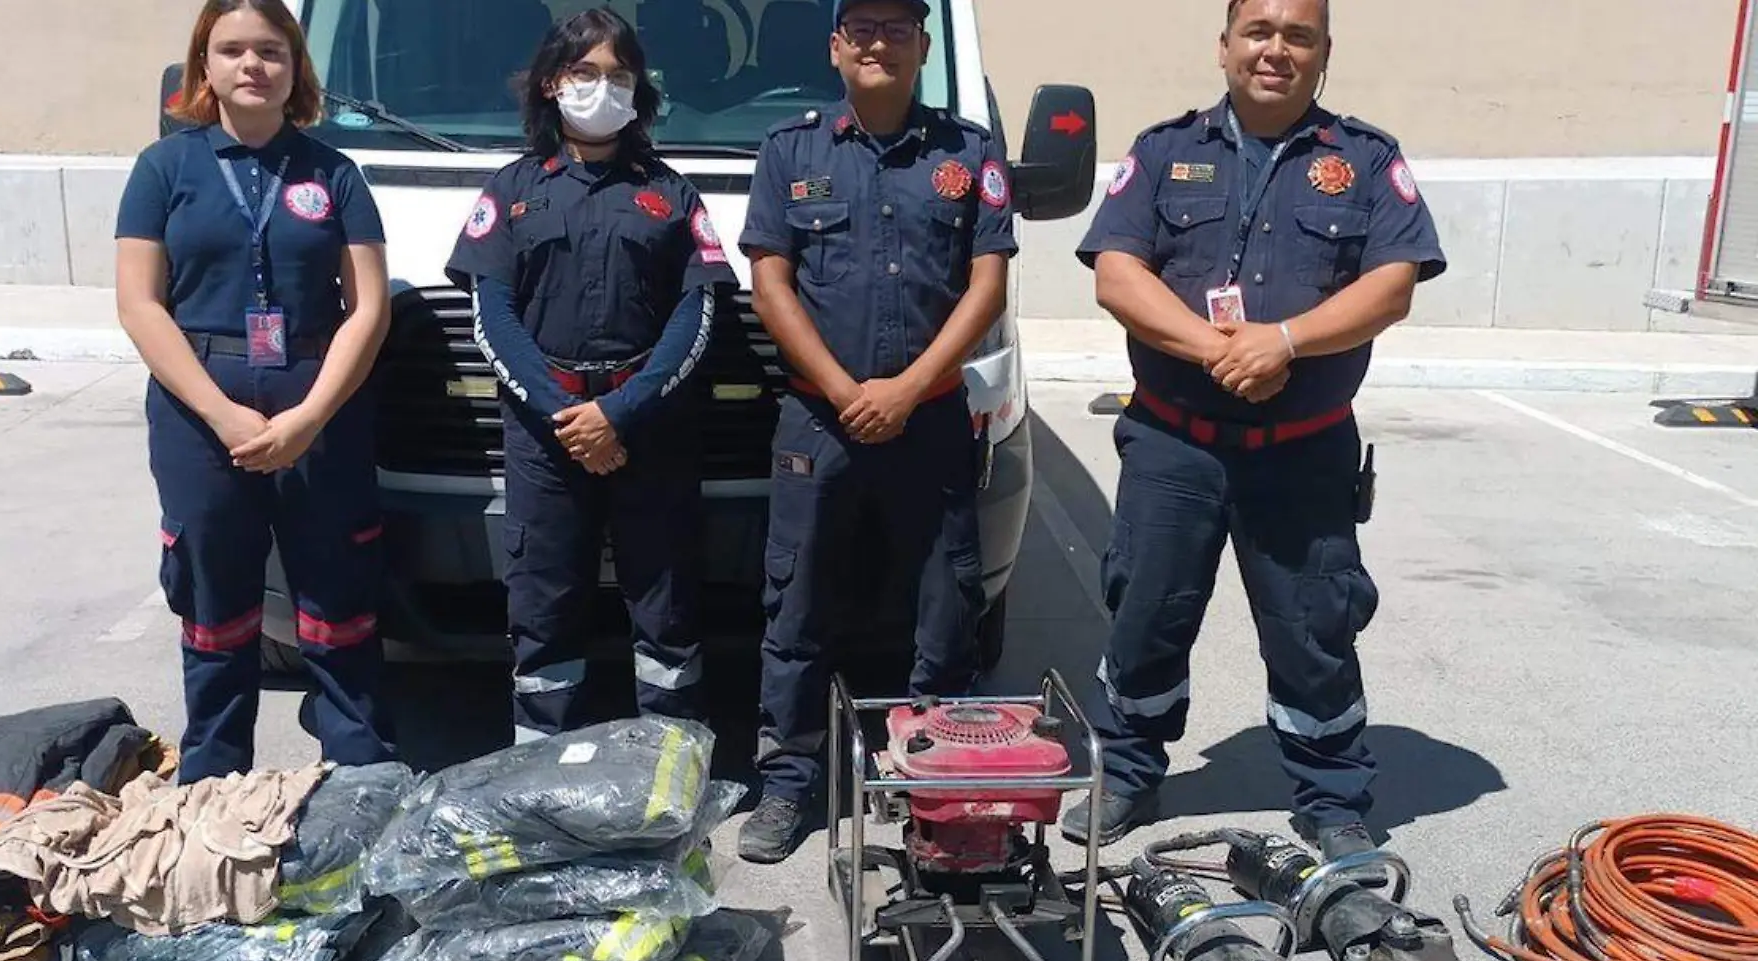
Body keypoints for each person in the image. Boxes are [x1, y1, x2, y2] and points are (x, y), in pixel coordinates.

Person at [1066, 0, 1445, 860]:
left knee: (1314, 625)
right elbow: (1118, 275)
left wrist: (1283, 342)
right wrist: (1214, 348)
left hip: (1303, 451)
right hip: (1173, 444)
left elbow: (1392, 285)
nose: (1276, 50)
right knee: (1146, 613)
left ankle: (1331, 793)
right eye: (1260, 32)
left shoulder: (1365, 159)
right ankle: (1126, 771)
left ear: (1322, 53)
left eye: (1298, 36)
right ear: (1227, 45)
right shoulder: (1166, 151)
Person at [735, 0, 1017, 863]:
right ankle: (788, 784)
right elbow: (770, 280)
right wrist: (846, 388)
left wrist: (906, 390)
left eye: (898, 27)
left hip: (929, 419)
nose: (879, 41)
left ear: (924, 47)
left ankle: (934, 781)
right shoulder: (791, 150)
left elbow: (987, 285)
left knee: (945, 607)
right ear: (835, 46)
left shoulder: (968, 153)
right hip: (818, 422)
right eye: (861, 27)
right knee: (799, 604)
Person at [115, 0, 397, 784]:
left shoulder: (334, 172)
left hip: (320, 405)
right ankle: (212, 776)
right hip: (199, 408)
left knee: (338, 592)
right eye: (231, 49)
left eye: (270, 51)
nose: (251, 65)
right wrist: (222, 412)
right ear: (202, 67)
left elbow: (367, 307)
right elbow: (140, 305)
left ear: (295, 68)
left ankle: (357, 768)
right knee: (215, 597)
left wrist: (309, 415)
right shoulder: (162, 169)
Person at [444, 9, 738, 741]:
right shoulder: (510, 189)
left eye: (619, 75)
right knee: (543, 607)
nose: (602, 88)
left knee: (666, 609)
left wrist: (622, 413)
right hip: (548, 440)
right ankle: (541, 770)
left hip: (651, 433)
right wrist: (569, 416)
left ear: (640, 92)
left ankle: (669, 762)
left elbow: (695, 316)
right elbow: (494, 316)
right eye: (585, 72)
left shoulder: (671, 192)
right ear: (551, 83)